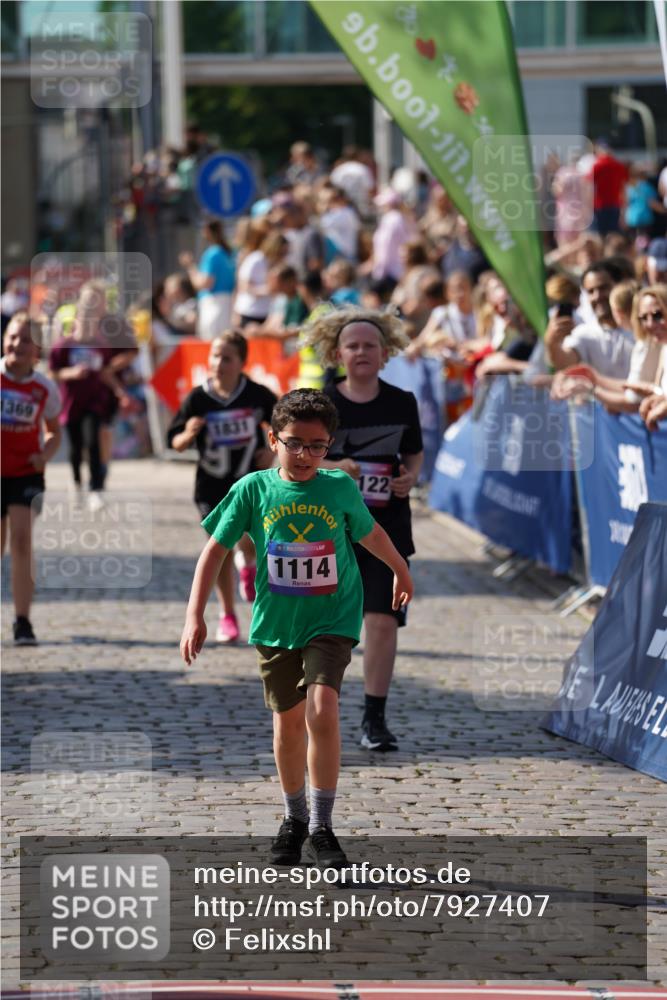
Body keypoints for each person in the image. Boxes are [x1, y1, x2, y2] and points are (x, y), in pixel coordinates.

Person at [180, 388, 413, 866]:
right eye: (295, 444)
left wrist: (399, 568)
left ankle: (324, 826)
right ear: (273, 439)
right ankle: (294, 817)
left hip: (332, 618)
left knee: (322, 708)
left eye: (318, 446)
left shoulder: (338, 488)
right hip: (277, 623)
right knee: (287, 725)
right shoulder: (253, 489)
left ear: (329, 446)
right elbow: (215, 551)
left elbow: (369, 532)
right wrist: (194, 615)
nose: (306, 455)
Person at [303, 309, 423, 751]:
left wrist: (409, 478)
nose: (361, 352)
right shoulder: (320, 403)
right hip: (327, 533)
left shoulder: (402, 402)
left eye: (369, 345)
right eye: (352, 345)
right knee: (322, 628)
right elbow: (299, 460)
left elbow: (413, 455)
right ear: (336, 354)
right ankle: (315, 709)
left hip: (386, 529)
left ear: (385, 353)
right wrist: (336, 466)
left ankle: (375, 718)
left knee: (381, 621)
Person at [168, 331, 277, 643]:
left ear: (242, 362)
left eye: (226, 357)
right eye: (214, 356)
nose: (218, 363)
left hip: (249, 483)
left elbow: (284, 427)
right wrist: (187, 436)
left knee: (247, 539)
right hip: (211, 488)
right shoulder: (198, 399)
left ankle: (250, 565)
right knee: (220, 549)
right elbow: (173, 441)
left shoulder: (257, 395)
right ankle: (227, 614)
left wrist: (271, 450)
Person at [49, 281, 137, 508]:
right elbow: (54, 366)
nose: (91, 304)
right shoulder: (67, 333)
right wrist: (69, 372)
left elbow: (129, 352)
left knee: (99, 435)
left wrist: (113, 378)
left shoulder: (113, 325)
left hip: (101, 393)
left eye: (96, 299)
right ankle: (80, 482)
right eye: (88, 299)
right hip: (72, 399)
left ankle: (98, 481)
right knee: (78, 445)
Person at [1, 312, 61, 645]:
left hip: (26, 471)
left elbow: (54, 432)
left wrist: (45, 454)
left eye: (26, 339)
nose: (17, 344)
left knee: (22, 540)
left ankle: (22, 621)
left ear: (37, 349)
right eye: (12, 337)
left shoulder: (44, 388)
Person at [545, 262, 634, 378]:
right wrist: (551, 342)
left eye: (603, 288)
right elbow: (564, 363)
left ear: (619, 286)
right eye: (591, 291)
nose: (597, 296)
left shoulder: (645, 325)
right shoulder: (585, 333)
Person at [180, 221, 235, 339]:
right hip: (226, 305)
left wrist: (190, 266)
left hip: (213, 306)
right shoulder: (227, 253)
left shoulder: (213, 254)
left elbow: (204, 283)